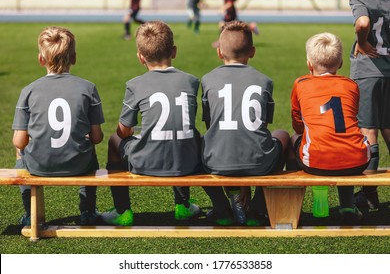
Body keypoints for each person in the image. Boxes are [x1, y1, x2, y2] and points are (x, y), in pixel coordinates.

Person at [101, 21, 202, 226]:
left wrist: (133, 131)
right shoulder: (191, 81)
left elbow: (123, 131)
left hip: (146, 163)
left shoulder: (135, 84)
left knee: (113, 141)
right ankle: (182, 205)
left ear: (140, 57)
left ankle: (122, 210)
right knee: (189, 134)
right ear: (174, 51)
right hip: (187, 161)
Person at [12, 26, 105, 226]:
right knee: (89, 145)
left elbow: (19, 141)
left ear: (41, 59)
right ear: (74, 58)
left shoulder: (28, 91)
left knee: (20, 150)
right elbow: (97, 137)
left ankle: (31, 214)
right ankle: (88, 211)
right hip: (79, 164)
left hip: (39, 165)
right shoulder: (88, 88)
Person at [201, 20, 290, 226]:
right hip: (258, 161)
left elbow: (210, 124)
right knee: (283, 135)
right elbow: (262, 128)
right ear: (253, 51)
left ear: (219, 52)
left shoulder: (208, 79)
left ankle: (221, 207)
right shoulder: (264, 81)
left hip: (216, 161)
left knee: (195, 140)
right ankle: (258, 208)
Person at [289, 32, 371, 223]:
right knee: (346, 140)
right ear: (341, 63)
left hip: (316, 163)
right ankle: (348, 206)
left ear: (310, 64)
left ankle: (308, 204)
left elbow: (297, 121)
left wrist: (305, 133)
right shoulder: (351, 85)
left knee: (298, 140)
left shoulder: (301, 83)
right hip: (357, 160)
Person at [349, 0, 390, 210]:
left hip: (369, 69)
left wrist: (363, 41)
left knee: (368, 129)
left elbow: (363, 22)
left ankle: (369, 194)